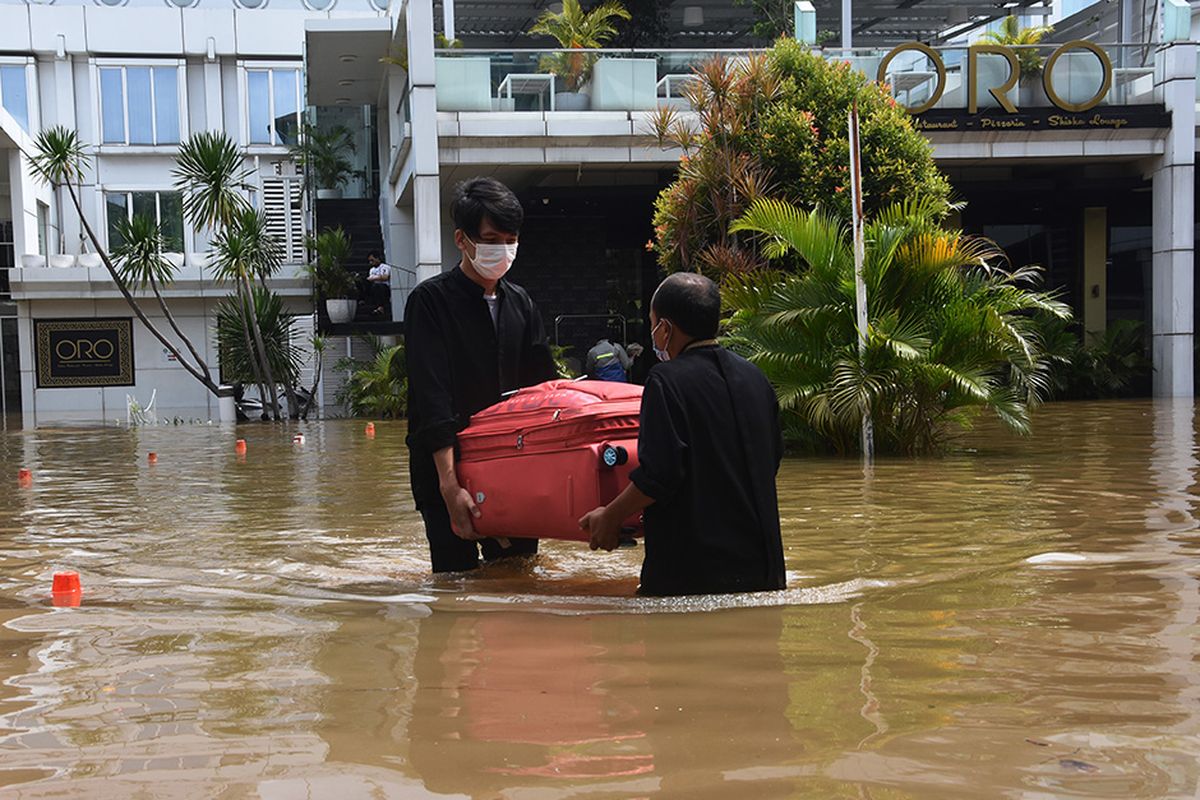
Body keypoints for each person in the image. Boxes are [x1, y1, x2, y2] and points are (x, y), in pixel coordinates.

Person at [579, 273, 786, 596]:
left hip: (693, 574)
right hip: (764, 570)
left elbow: (660, 475)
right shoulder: (755, 378)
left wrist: (611, 515)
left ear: (665, 328)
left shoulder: (666, 381)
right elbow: (769, 461)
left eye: (652, 323)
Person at [404, 177, 558, 573]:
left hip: (511, 465)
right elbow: (431, 399)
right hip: (445, 468)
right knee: (455, 583)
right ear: (462, 239)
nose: (503, 249)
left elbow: (543, 391)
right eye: (491, 239)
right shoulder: (429, 303)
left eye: (510, 238)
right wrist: (450, 485)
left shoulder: (522, 304)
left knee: (519, 579)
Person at [362, 251, 392, 315]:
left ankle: (380, 307)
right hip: (374, 286)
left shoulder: (385, 267)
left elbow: (385, 277)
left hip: (384, 287)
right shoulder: (371, 270)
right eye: (370, 261)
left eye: (372, 260)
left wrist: (374, 278)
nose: (371, 262)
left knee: (377, 286)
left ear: (378, 258)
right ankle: (363, 299)